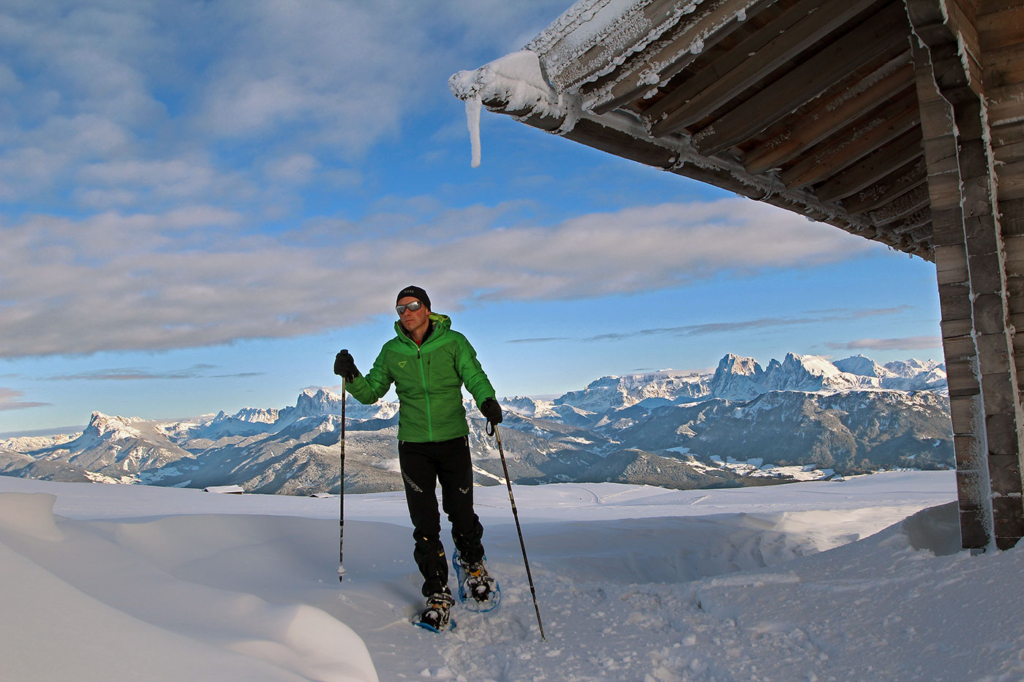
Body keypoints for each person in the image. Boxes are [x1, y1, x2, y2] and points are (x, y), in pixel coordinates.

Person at [333, 285, 503, 630]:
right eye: (399, 309)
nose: (405, 313)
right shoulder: (392, 350)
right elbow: (371, 393)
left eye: (412, 306)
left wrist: (487, 400)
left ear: (427, 308)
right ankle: (437, 593)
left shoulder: (454, 342)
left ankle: (472, 566)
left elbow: (474, 376)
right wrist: (350, 375)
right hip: (413, 446)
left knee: (461, 511)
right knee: (425, 523)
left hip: (453, 439)